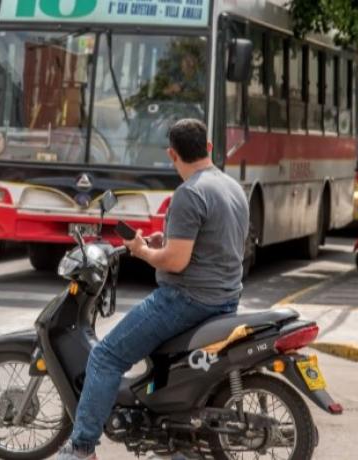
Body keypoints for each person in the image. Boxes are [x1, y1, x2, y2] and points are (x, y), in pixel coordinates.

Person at [57, 119, 249, 460]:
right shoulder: (232, 187)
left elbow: (175, 263)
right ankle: (174, 439)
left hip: (185, 300)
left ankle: (82, 448)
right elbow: (217, 244)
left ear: (171, 154)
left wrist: (143, 251)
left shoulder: (189, 194)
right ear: (208, 147)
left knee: (105, 357)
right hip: (224, 299)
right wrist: (167, 241)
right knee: (159, 363)